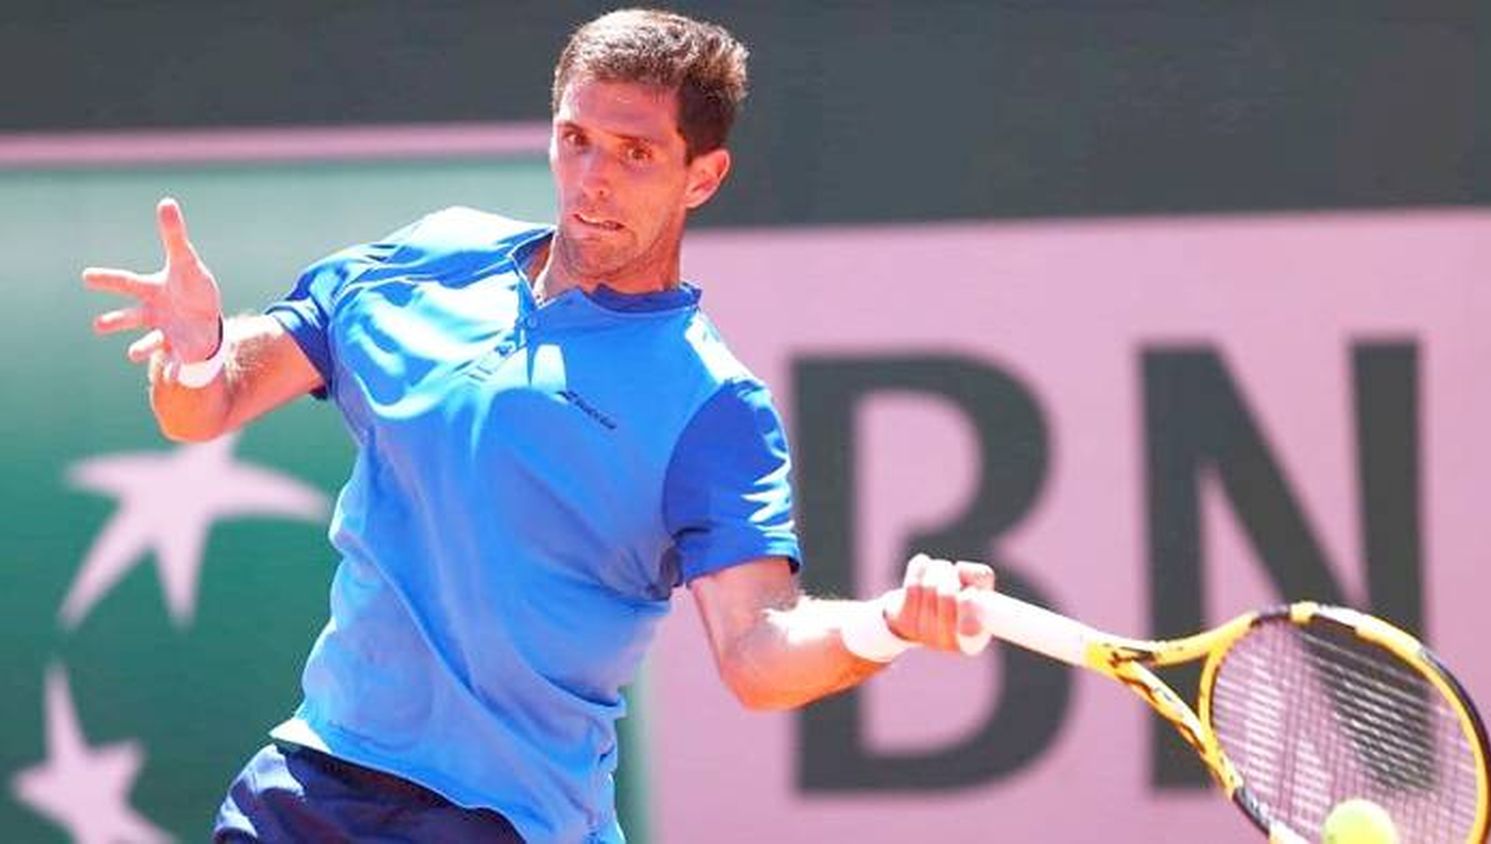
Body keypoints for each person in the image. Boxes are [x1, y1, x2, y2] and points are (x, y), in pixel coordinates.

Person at [84, 8, 995, 843]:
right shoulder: (427, 261)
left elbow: (757, 652)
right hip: (314, 783)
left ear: (703, 176)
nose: (593, 180)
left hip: (506, 822)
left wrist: (889, 624)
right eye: (576, 140)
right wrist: (200, 350)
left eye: (634, 152)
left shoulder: (714, 405)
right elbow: (208, 406)